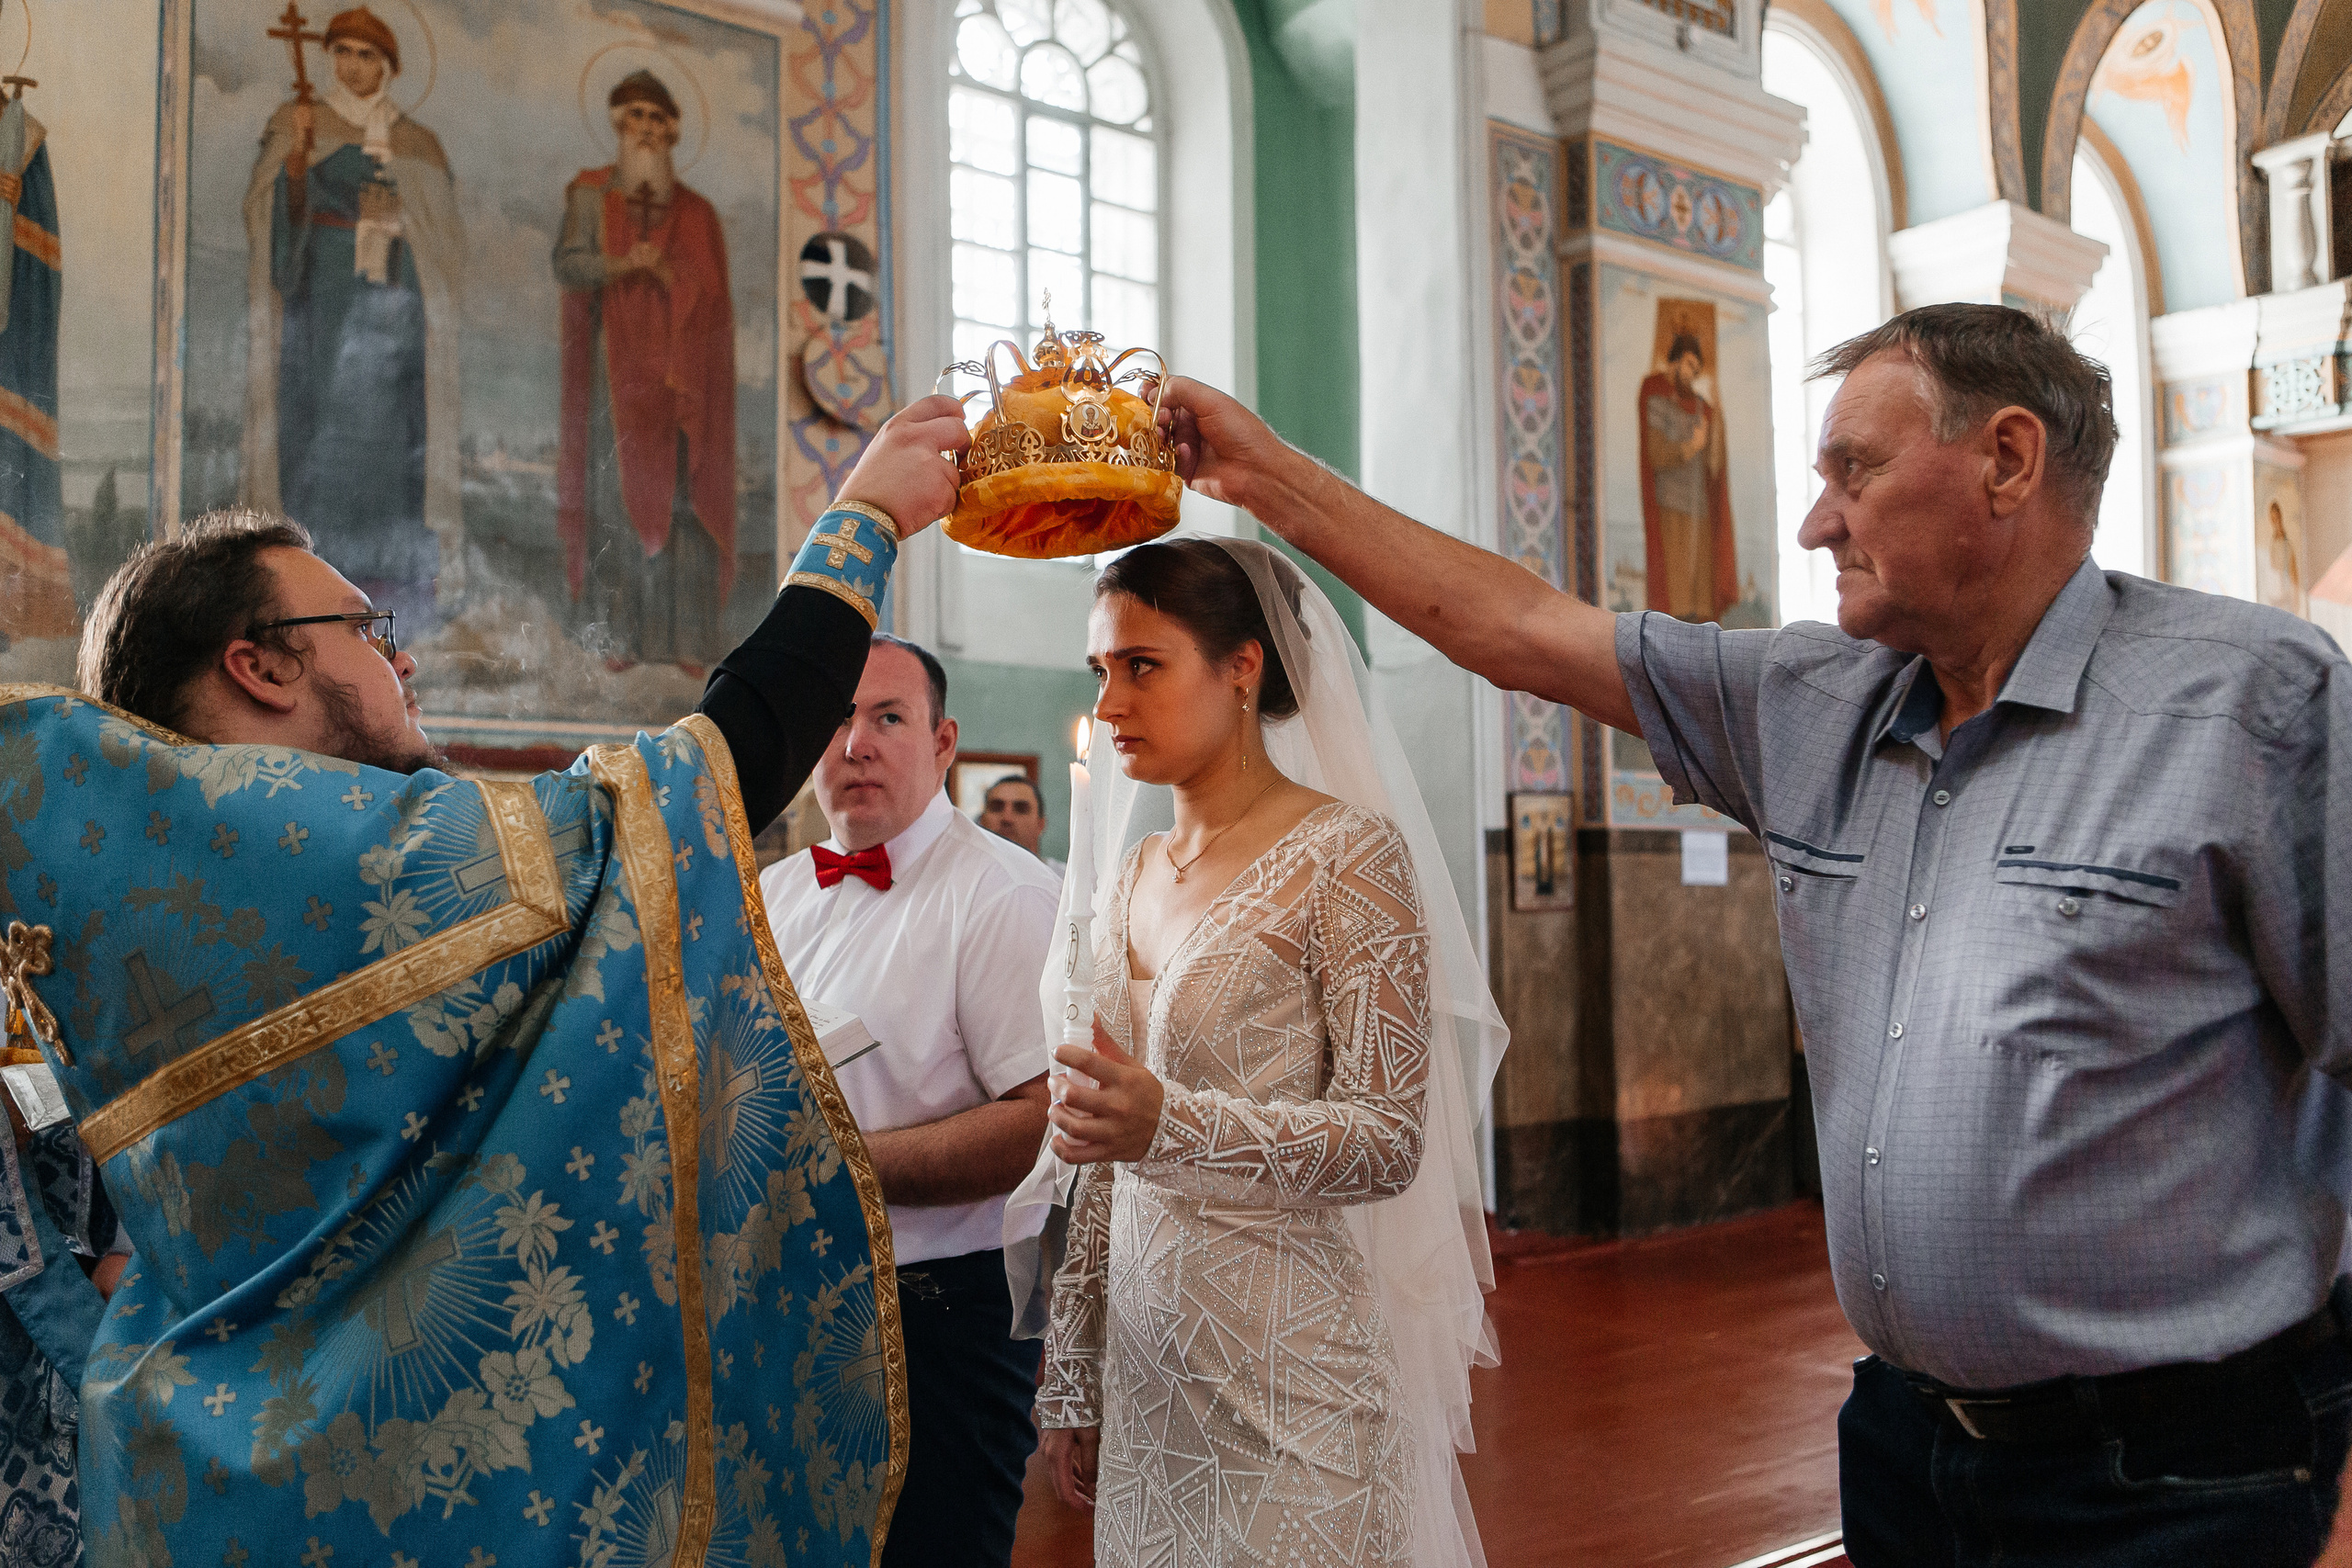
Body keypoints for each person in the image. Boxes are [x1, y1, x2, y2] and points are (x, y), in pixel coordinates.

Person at [1147, 304, 2352, 1565]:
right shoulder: (1806, 705)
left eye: (1855, 471)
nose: (1815, 521)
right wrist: (1262, 470)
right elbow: (1513, 627)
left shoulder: (2246, 702)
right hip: (1904, 1441)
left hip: (2175, 1467)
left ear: (2006, 459)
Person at [20, 393, 973, 1567]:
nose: (401, 651)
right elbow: (690, 788)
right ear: (259, 663)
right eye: (365, 626)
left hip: (194, 1470)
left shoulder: (138, 889)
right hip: (394, 1503)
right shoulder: (326, 866)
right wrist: (862, 521)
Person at [1029, 537, 1506, 1568]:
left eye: (1141, 666)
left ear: (1241, 665)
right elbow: (1105, 1153)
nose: (1109, 704)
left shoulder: (1348, 856)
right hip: (1153, 1394)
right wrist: (1074, 1367)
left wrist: (1174, 1121)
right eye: (1098, 672)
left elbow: (1385, 1142)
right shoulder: (1129, 876)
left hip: (1294, 1383)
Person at [757, 635, 1057, 1568]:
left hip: (941, 1318)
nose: (856, 744)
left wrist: (833, 1167)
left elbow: (1043, 1121)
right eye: (835, 720)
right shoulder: (771, 894)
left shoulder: (1003, 895)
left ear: (944, 741)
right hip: (784, 1294)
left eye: (887, 717)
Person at [242, 6, 462, 630]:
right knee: (318, 439)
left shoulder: (418, 143)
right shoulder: (298, 121)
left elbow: (445, 246)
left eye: (368, 56)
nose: (354, 66)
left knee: (390, 449)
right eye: (343, 53)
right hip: (324, 312)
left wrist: (402, 223)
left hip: (394, 321)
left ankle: (391, 597)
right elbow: (269, 220)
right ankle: (311, 589)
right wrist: (296, 166)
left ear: (388, 67)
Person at [555, 69, 737, 675]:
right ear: (617, 122)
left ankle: (685, 637)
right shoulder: (589, 193)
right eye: (636, 117)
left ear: (674, 132)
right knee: (614, 496)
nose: (647, 131)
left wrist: (669, 275)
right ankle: (618, 636)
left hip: (678, 383)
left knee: (684, 503)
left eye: (658, 121)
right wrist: (621, 263)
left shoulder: (695, 212)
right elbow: (571, 263)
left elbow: (710, 293)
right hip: (618, 372)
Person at [1638, 330, 1736, 622]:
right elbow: (1655, 453)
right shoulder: (1657, 400)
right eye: (1690, 365)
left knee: (1700, 599)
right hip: (1670, 503)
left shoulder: (1700, 407)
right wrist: (1688, 447)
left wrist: (1716, 418)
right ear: (1676, 361)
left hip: (1699, 507)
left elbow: (1714, 462)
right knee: (1676, 591)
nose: (1693, 374)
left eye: (1697, 369)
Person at [978, 773, 1060, 874]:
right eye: (996, 808)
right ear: (982, 820)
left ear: (1040, 824)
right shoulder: (963, 877)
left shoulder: (1063, 881)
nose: (1007, 819)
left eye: (1021, 809)